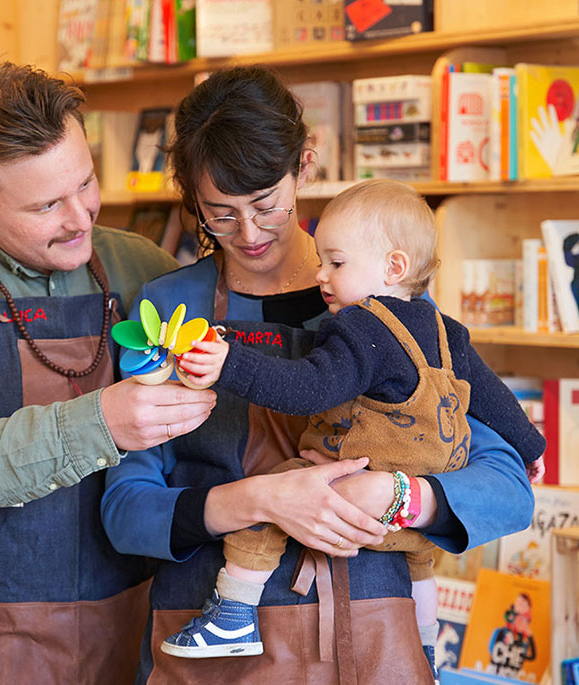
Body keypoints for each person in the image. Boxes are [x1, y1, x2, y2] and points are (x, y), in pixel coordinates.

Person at [100, 65, 535, 683]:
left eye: (266, 205)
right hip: (207, 633)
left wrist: (400, 498)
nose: (248, 234)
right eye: (219, 215)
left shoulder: (392, 311)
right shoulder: (170, 309)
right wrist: (258, 499)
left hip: (368, 631)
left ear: (304, 165)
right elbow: (125, 512)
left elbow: (509, 489)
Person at [0, 63, 217, 684]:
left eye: (86, 182)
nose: (81, 217)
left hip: (124, 620)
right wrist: (99, 424)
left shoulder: (139, 266)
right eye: (48, 204)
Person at [161, 179, 545, 660]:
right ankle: (426, 652)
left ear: (394, 266)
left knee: (274, 498)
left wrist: (228, 362)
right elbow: (492, 399)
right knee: (420, 561)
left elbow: (308, 390)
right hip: (418, 500)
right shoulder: (449, 333)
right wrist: (531, 449)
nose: (322, 275)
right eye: (321, 260)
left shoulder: (362, 327)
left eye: (337, 263)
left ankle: (234, 615)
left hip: (357, 487)